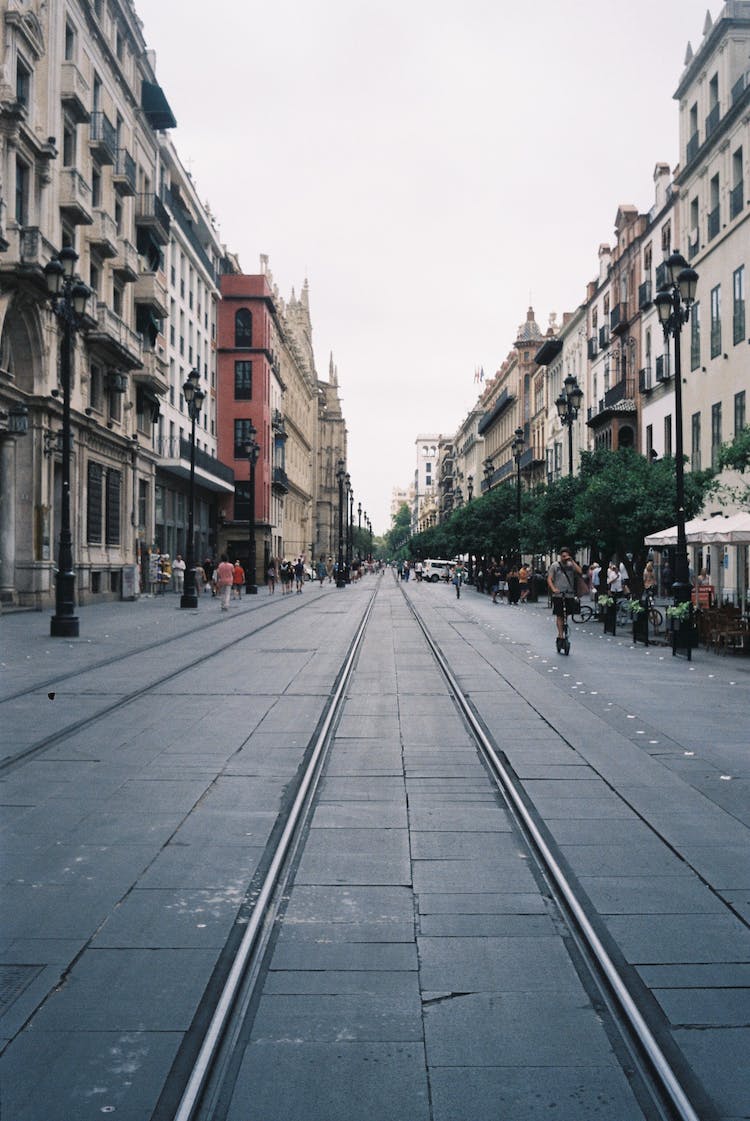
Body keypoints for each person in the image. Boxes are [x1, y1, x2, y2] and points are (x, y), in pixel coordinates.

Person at [547, 546, 583, 647]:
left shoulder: (571, 565)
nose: (564, 558)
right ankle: (560, 634)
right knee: (559, 615)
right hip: (558, 594)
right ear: (560, 556)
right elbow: (549, 579)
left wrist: (572, 561)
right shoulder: (555, 566)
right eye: (563, 556)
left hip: (569, 594)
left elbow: (580, 572)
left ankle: (564, 631)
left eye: (566, 556)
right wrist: (554, 589)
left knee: (566, 614)